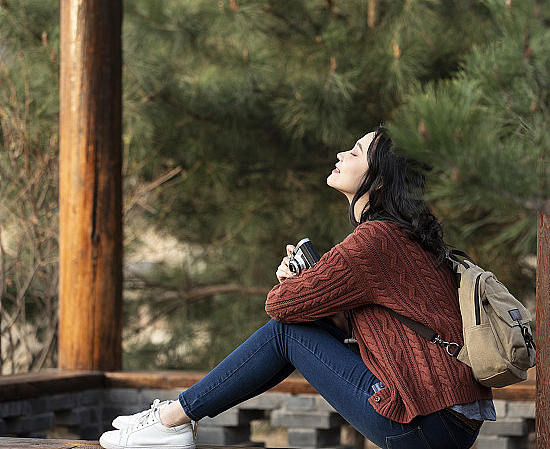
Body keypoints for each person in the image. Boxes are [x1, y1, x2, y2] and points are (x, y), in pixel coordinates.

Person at [99, 125, 494, 449]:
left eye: (355, 153)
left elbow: (280, 307)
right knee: (299, 328)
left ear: (379, 178)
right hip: (449, 419)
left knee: (287, 331)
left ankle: (173, 420)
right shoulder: (404, 237)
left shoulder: (374, 241)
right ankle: (176, 418)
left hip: (424, 423)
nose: (341, 155)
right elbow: (379, 328)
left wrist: (296, 282)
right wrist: (312, 287)